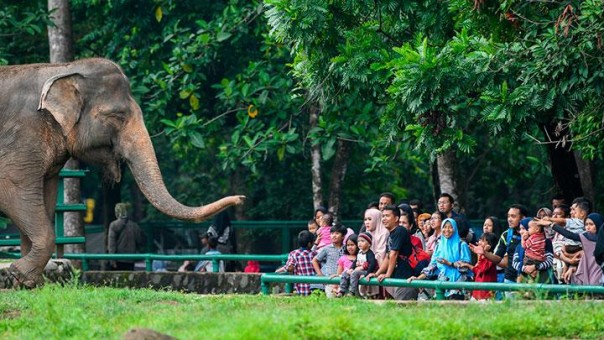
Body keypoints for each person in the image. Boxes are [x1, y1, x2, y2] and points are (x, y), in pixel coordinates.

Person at [471, 204, 528, 297]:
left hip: (529, 280)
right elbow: (497, 258)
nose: (509, 219)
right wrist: (484, 253)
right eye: (508, 216)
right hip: (510, 280)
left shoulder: (533, 234)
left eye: (513, 216)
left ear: (523, 218)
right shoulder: (506, 235)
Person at [408, 218, 472, 300]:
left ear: (455, 229)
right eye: (444, 227)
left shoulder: (462, 245)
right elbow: (432, 266)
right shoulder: (439, 246)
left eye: (450, 227)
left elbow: (466, 266)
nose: (447, 230)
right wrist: (418, 279)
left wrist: (450, 264)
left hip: (459, 286)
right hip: (442, 284)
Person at [366, 205, 418, 300]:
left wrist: (387, 275)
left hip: (405, 278)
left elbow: (394, 254)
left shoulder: (400, 230)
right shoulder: (391, 234)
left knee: (403, 310)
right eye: (383, 216)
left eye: (387, 216)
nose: (384, 219)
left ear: (396, 218)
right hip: (397, 278)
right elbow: (388, 256)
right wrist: (377, 274)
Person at [537, 212, 603, 285]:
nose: (588, 227)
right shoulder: (586, 237)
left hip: (599, 269)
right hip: (587, 269)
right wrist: (551, 225)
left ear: (598, 224)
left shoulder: (598, 239)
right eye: (586, 224)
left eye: (591, 224)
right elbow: (570, 235)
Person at [107, 203, 146, 271]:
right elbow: (140, 241)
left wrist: (112, 260)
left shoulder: (114, 225)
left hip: (117, 259)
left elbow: (111, 245)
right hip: (131, 259)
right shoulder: (134, 226)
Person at [338, 232, 377, 297]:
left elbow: (372, 264)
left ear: (369, 244)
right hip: (358, 270)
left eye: (362, 241)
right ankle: (342, 290)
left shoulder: (370, 254)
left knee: (354, 273)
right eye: (358, 241)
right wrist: (351, 269)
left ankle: (352, 291)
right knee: (345, 273)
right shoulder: (359, 252)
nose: (360, 243)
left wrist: (367, 274)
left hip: (365, 271)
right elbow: (354, 262)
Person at [312, 223, 347, 297]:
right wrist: (321, 276)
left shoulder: (346, 248)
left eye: (337, 233)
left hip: (343, 280)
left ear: (343, 236)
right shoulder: (327, 248)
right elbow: (314, 260)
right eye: (332, 233)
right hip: (330, 280)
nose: (334, 235)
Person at [279, 230, 317, 296]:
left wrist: (279, 270)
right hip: (315, 287)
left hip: (301, 289)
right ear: (309, 244)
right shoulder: (314, 254)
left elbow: (289, 267)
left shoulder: (294, 253)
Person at [464, 232, 499, 300]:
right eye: (480, 240)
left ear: (489, 245)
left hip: (486, 294)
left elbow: (483, 269)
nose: (479, 242)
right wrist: (467, 265)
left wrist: (483, 252)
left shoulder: (491, 257)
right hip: (477, 292)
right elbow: (477, 270)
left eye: (482, 241)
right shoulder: (482, 256)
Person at [517, 218, 547, 283]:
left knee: (524, 261)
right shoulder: (543, 237)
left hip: (530, 259)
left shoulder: (532, 238)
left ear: (537, 229)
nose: (528, 230)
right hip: (540, 260)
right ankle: (533, 274)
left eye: (528, 228)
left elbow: (524, 246)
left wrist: (522, 239)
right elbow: (515, 262)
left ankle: (531, 275)